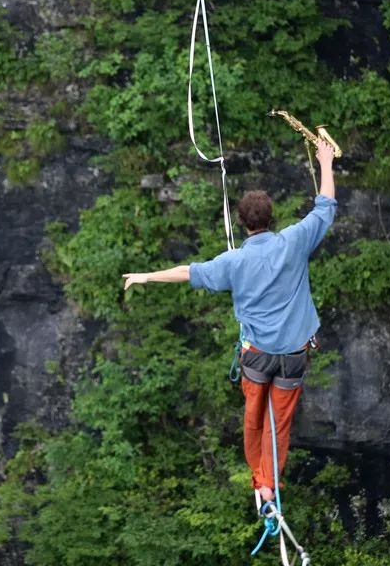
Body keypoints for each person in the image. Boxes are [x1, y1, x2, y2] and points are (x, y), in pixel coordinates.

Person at [122, 139, 337, 509]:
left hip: (257, 357)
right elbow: (325, 205)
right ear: (272, 218)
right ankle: (270, 483)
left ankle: (260, 481)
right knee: (279, 423)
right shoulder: (294, 241)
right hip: (293, 354)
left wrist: (145, 275)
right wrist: (326, 162)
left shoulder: (233, 262)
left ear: (242, 223)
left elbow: (187, 273)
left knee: (254, 419)